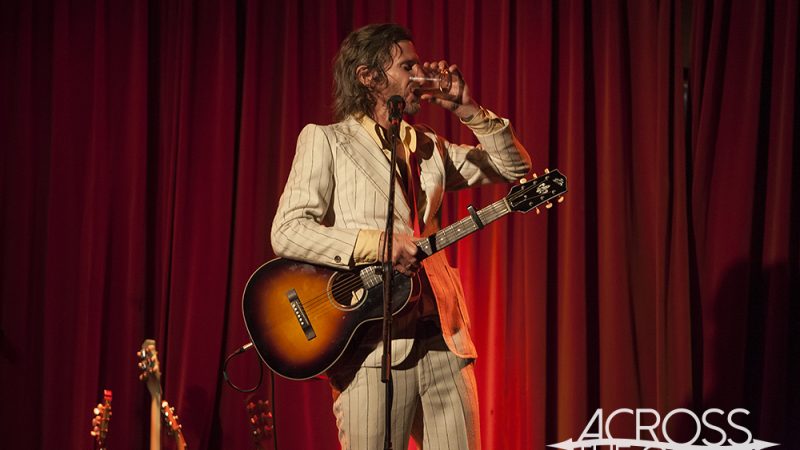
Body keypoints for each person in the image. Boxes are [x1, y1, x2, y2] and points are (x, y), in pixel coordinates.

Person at [271, 23, 531, 449]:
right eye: (407, 66)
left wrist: (468, 110)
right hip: (372, 347)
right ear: (369, 77)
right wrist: (377, 243)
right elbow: (287, 231)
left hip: (444, 342)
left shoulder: (428, 144)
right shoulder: (327, 141)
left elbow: (515, 169)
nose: (421, 75)